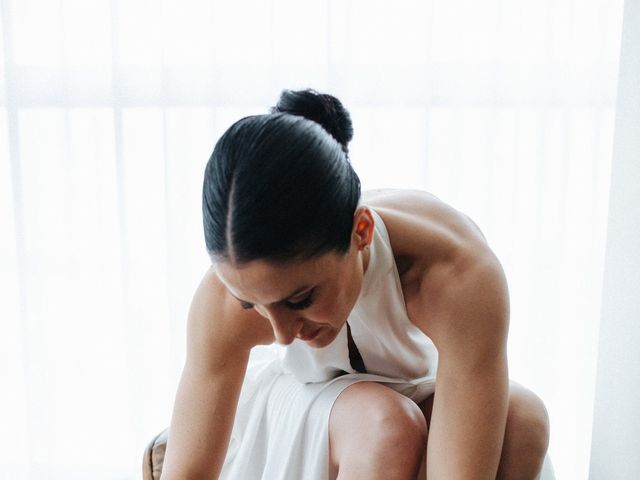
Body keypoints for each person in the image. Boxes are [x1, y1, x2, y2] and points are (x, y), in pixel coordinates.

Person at [160, 89, 550, 480]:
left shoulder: (458, 274)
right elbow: (188, 473)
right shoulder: (224, 297)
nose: (281, 335)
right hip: (303, 396)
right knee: (386, 427)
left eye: (301, 298)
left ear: (361, 231)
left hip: (412, 388)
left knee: (523, 420)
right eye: (252, 305)